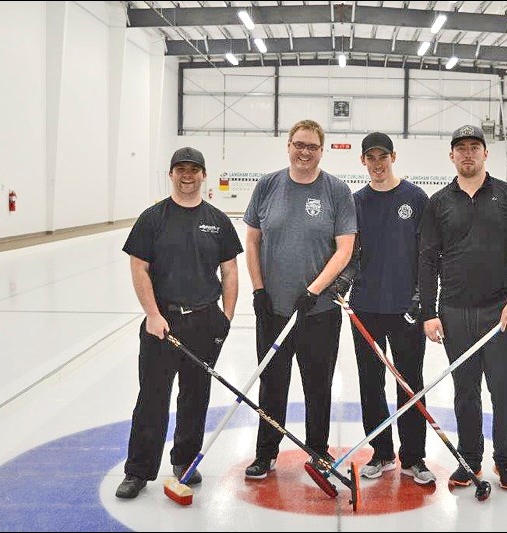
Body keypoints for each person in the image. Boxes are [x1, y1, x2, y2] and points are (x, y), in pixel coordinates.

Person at [115, 147, 242, 499]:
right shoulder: (153, 218)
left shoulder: (218, 220)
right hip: (162, 324)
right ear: (171, 174)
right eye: (181, 169)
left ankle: (185, 460)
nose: (188, 175)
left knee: (196, 396)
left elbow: (229, 271)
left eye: (194, 169)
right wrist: (153, 315)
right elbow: (138, 267)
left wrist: (226, 317)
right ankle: (138, 471)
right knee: (152, 399)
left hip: (204, 322)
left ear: (204, 175)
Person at [418, 125, 507, 491]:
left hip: (499, 312)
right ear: (451, 156)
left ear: (486, 153)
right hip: (455, 312)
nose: (467, 154)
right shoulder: (438, 204)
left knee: (505, 389)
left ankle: (505, 460)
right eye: (460, 148)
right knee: (465, 391)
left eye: (474, 147)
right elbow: (427, 260)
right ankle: (470, 460)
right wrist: (429, 312)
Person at [242, 119, 357, 479]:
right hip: (274, 311)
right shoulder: (267, 186)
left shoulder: (336, 191)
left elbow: (345, 249)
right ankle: (266, 452)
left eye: (312, 146)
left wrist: (314, 290)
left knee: (317, 385)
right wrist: (259, 289)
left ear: (321, 151)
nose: (304, 152)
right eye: (299, 144)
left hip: (319, 312)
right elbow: (253, 241)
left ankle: (318, 452)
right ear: (288, 146)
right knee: (272, 383)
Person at [342, 132, 434, 485]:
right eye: (371, 158)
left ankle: (414, 457)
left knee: (410, 382)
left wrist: (422, 298)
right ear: (363, 161)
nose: (378, 164)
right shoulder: (356, 202)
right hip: (365, 306)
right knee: (370, 381)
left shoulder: (415, 198)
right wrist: (343, 283)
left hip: (405, 308)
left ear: (393, 157)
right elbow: (350, 252)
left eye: (383, 157)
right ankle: (382, 453)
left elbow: (428, 256)